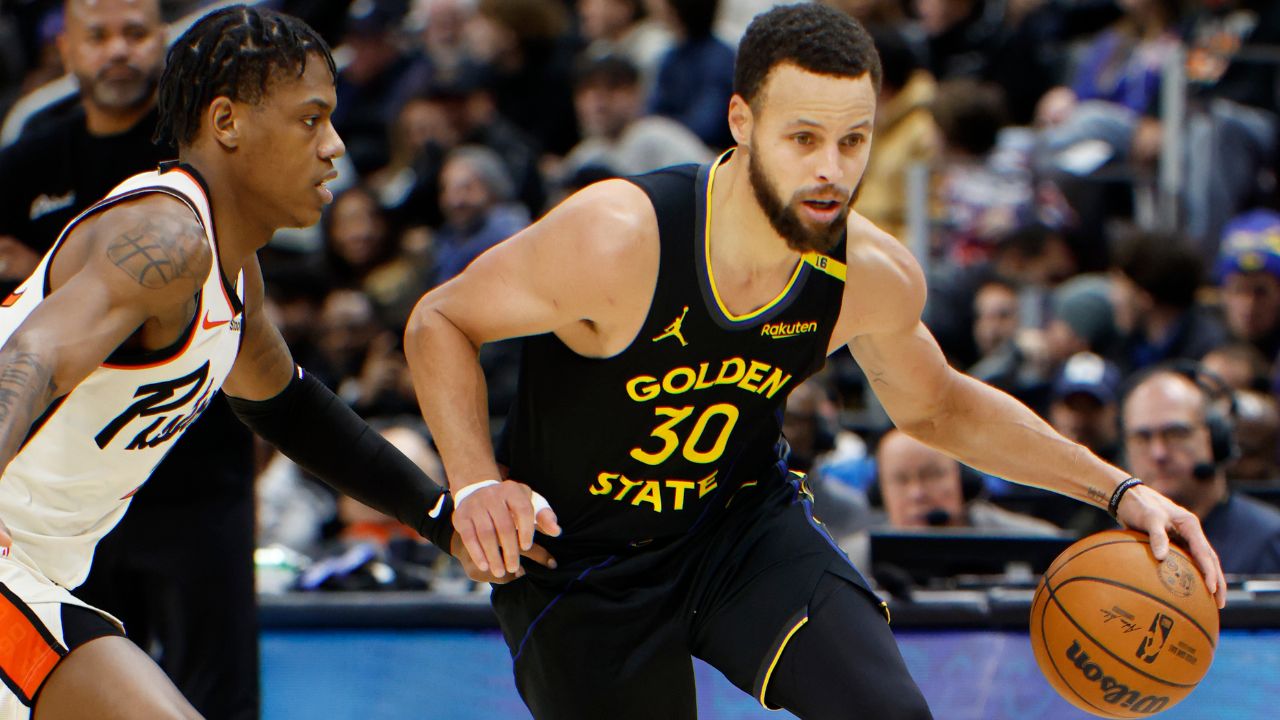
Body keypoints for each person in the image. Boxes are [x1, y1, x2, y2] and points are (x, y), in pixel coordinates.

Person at [404, 5, 1225, 719]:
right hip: (580, 560)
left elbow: (938, 407)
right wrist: (475, 481)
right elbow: (441, 318)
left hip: (737, 531)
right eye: (803, 138)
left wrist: (1120, 489)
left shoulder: (868, 274)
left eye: (853, 139)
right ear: (741, 121)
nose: (832, 170)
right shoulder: (619, 238)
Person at [0, 7, 551, 719]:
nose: (335, 147)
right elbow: (32, 355)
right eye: (311, 119)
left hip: (45, 567)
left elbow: (290, 407)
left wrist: (444, 520)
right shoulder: (165, 238)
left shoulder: (235, 278)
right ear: (227, 122)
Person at [0, 3, 261, 716]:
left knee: (220, 691)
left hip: (186, 482)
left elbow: (287, 395)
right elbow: (36, 350)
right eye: (100, 35)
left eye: (137, 33)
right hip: (39, 500)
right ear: (66, 50)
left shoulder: (208, 197)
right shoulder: (35, 153)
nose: (120, 51)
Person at [1121, 363, 1280, 574]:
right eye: (1142, 437)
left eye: (1176, 433)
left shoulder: (1269, 541)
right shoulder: (1113, 549)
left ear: (1215, 438)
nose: (1159, 453)